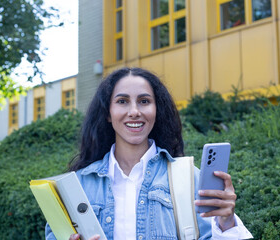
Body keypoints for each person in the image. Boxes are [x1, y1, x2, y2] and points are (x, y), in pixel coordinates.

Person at [45, 67, 253, 240]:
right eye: (122, 101)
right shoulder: (75, 187)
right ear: (108, 113)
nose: (134, 111)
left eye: (144, 101)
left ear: (157, 110)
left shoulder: (189, 179)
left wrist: (227, 223)